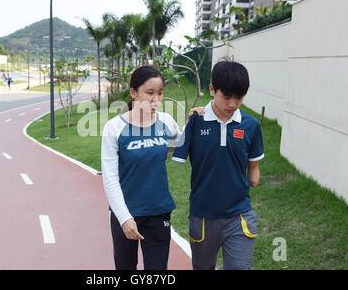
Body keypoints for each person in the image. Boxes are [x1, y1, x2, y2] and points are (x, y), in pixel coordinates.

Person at [101, 66, 199, 270]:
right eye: (150, 93)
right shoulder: (114, 128)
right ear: (133, 93)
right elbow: (110, 178)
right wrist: (125, 218)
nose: (156, 100)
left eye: (160, 93)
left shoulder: (166, 122)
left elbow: (179, 145)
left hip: (158, 212)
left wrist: (190, 123)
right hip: (126, 214)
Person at [172, 57, 265, 270]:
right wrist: (188, 124)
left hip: (239, 216)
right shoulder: (196, 121)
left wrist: (253, 175)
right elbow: (174, 153)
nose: (233, 104)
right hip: (203, 217)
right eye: (227, 96)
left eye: (239, 97)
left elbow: (254, 168)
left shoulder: (250, 125)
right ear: (213, 89)